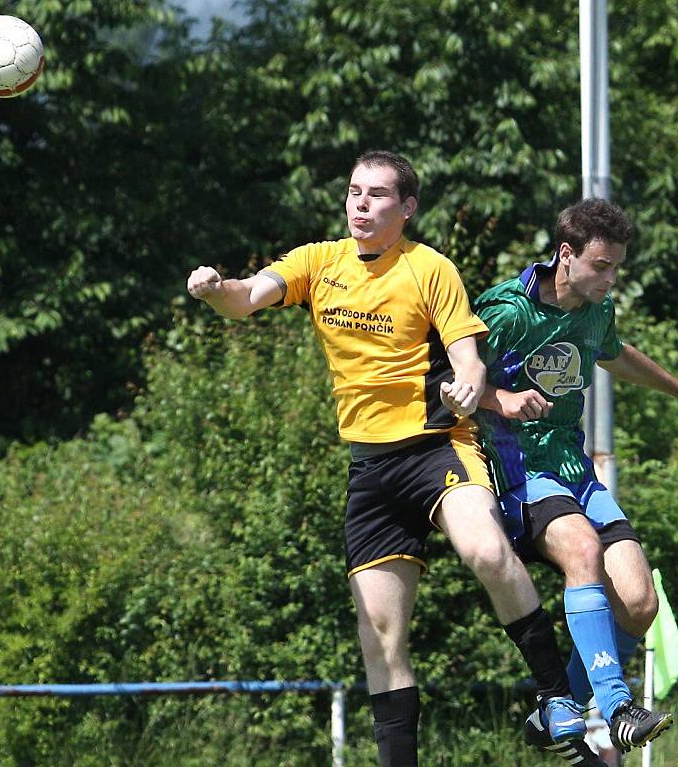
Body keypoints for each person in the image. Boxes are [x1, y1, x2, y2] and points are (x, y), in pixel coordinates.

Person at [187, 150, 589, 767]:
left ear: (407, 209)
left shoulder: (429, 268)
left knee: (484, 548)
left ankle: (557, 696)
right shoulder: (317, 262)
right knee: (380, 638)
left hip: (437, 447)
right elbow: (244, 300)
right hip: (371, 470)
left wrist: (465, 383)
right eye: (353, 192)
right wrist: (215, 290)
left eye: (376, 195)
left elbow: (469, 359)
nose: (360, 205)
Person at [474, 198, 678, 761]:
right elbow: (454, 379)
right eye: (602, 265)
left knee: (639, 604)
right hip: (518, 465)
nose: (611, 277)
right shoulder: (507, 310)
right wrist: (505, 398)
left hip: (576, 468)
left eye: (618, 266)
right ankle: (616, 708)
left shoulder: (597, 310)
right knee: (582, 547)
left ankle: (559, 707)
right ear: (565, 255)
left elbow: (613, 354)